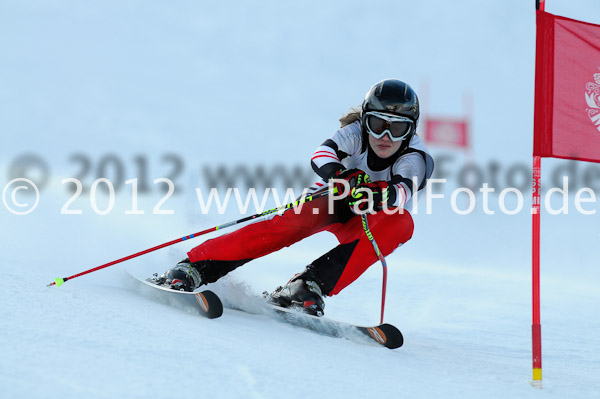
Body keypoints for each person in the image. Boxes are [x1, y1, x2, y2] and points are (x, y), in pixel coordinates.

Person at [156, 78, 434, 316]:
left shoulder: (415, 157)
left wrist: (378, 194)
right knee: (287, 227)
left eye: (396, 128)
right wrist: (343, 176)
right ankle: (196, 267)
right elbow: (321, 155)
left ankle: (306, 286)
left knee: (400, 222)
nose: (384, 136)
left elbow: (403, 189)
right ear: (365, 120)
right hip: (335, 201)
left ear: (410, 130)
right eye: (376, 124)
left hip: (369, 222)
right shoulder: (355, 134)